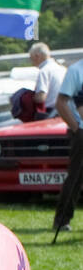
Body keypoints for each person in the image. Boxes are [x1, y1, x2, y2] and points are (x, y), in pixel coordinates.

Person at [51, 58, 83, 240]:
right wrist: (76, 128)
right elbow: (61, 102)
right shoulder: (76, 70)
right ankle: (62, 219)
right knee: (76, 177)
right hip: (81, 130)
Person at [30, 42, 66, 116]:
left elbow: (41, 97)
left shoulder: (44, 71)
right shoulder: (63, 69)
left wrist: (28, 98)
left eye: (31, 58)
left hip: (53, 112)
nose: (31, 61)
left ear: (37, 56)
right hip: (69, 111)